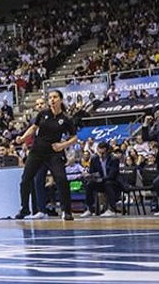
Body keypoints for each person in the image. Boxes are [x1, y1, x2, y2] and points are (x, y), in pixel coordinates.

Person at [14, 90, 78, 221]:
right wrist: (23, 137)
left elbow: (74, 137)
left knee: (61, 179)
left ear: (60, 99)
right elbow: (33, 128)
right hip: (37, 151)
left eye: (55, 97)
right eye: (50, 98)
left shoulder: (66, 119)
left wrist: (63, 145)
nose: (52, 100)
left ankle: (67, 211)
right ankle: (25, 208)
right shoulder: (43, 114)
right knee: (25, 179)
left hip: (54, 152)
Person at [84, 140, 122, 216]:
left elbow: (112, 175)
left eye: (103, 153)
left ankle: (112, 209)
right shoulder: (94, 159)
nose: (101, 155)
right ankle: (90, 209)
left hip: (113, 182)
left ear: (108, 151)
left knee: (108, 183)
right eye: (99, 152)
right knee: (89, 184)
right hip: (100, 182)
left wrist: (101, 179)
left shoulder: (114, 159)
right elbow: (92, 172)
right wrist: (89, 176)